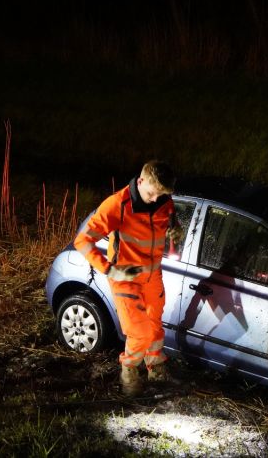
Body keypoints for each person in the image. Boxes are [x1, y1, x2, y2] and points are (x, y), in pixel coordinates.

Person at [74, 160, 183, 397]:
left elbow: (171, 218)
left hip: (153, 274)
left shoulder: (164, 200)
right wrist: (110, 270)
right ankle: (129, 369)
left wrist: (177, 229)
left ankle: (155, 366)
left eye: (161, 195)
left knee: (154, 322)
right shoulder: (117, 205)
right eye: (151, 194)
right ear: (141, 181)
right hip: (125, 278)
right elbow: (82, 242)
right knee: (140, 332)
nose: (156, 199)